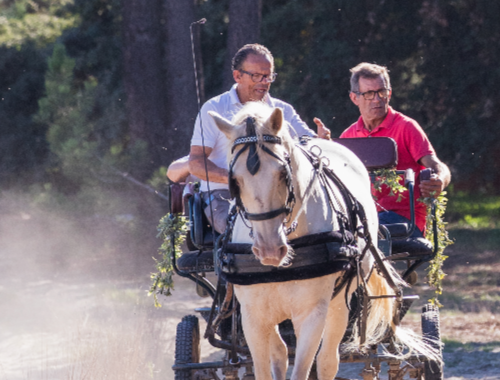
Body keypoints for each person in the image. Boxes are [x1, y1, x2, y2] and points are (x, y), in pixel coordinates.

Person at [188, 43, 331, 234]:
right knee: (242, 234)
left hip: (277, 194)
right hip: (223, 195)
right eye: (256, 76)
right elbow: (196, 163)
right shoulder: (213, 109)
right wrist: (237, 180)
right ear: (237, 76)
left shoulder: (282, 110)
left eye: (268, 76)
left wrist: (322, 141)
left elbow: (310, 146)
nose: (264, 81)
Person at [339, 62, 450, 238]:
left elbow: (436, 165)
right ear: (354, 98)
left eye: (381, 92)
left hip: (404, 220)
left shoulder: (406, 127)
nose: (377, 99)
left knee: (359, 233)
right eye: (368, 94)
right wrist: (324, 144)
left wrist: (440, 181)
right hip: (364, 219)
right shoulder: (348, 136)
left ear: (389, 93)